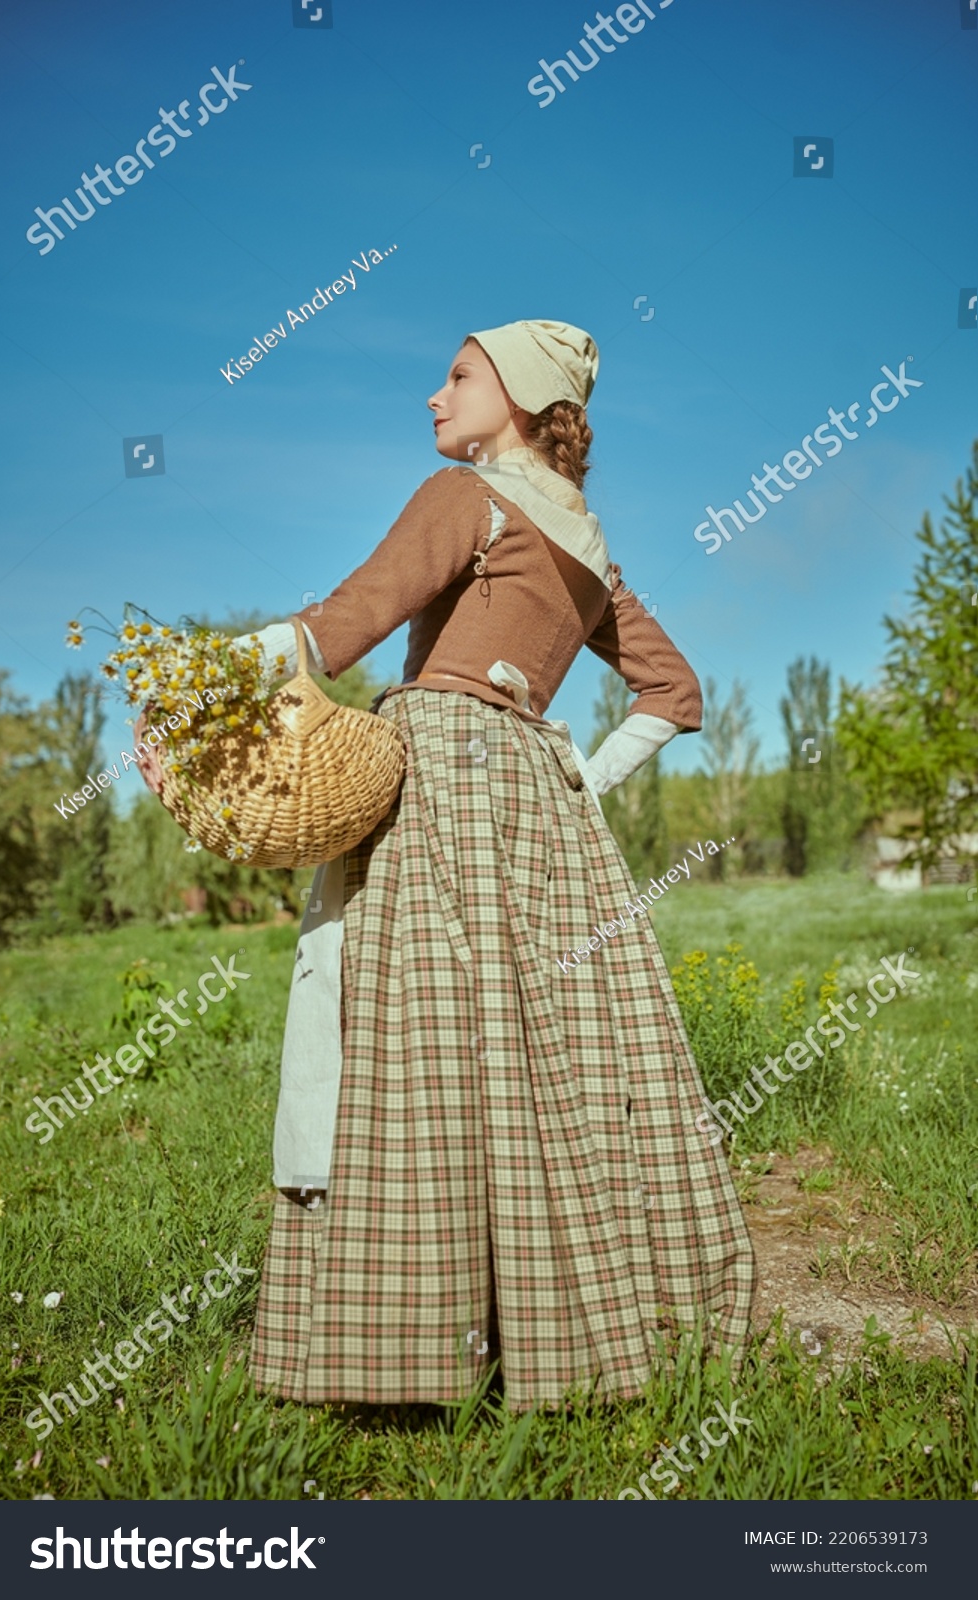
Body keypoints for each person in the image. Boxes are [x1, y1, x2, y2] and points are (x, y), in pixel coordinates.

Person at [143, 319, 756, 1410]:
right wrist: (580, 782)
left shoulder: (463, 499)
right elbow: (675, 695)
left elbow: (341, 626)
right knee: (534, 1058)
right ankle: (564, 1334)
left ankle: (407, 1348)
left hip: (436, 771)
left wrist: (189, 695)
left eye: (458, 376)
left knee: (407, 1046)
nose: (434, 395)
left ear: (518, 397)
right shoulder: (586, 547)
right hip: (538, 799)